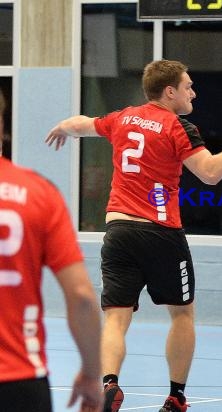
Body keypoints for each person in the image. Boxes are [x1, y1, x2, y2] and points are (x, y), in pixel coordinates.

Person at [45, 59, 222, 412]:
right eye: (188, 86)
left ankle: (110, 384)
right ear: (170, 91)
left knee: (116, 316)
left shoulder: (123, 117)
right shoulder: (178, 126)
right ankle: (176, 396)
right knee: (182, 314)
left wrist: (63, 127)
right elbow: (210, 173)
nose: (193, 92)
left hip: (117, 231)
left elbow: (83, 124)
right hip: (160, 233)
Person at [0, 89, 102, 411]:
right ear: (3, 128)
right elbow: (83, 297)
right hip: (19, 379)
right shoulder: (38, 194)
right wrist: (91, 372)